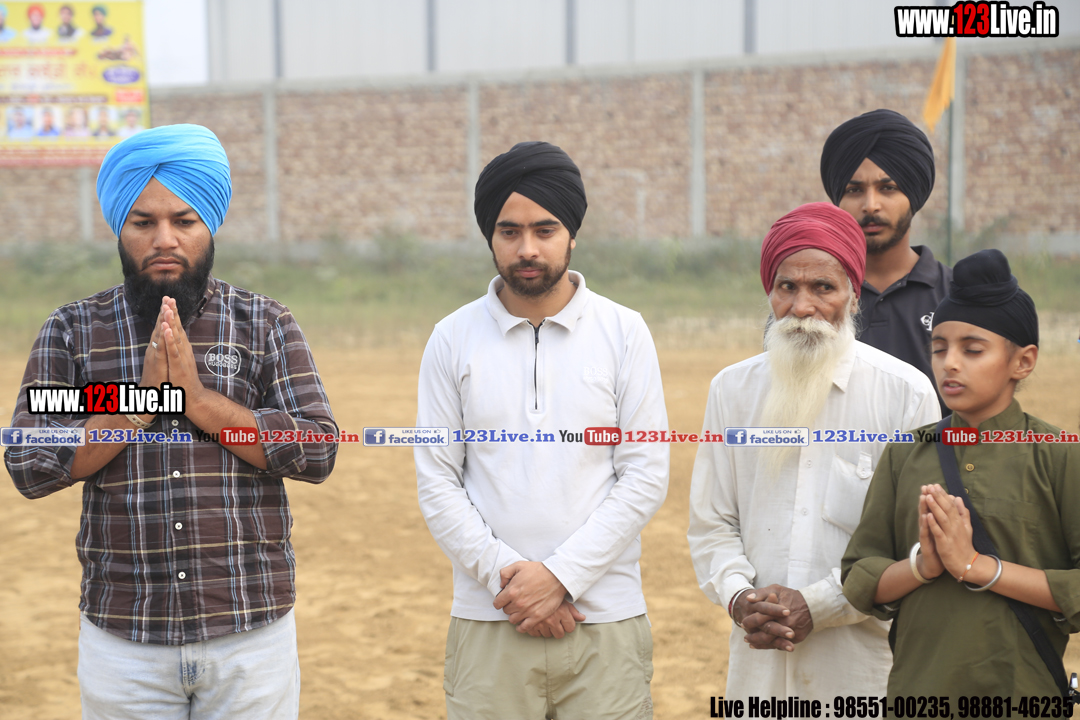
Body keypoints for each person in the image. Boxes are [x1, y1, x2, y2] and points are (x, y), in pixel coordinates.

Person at [4, 124, 338, 720]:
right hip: (124, 641)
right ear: (119, 228)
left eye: (184, 221)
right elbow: (31, 458)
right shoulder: (75, 332)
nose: (164, 239)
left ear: (210, 225)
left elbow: (316, 448)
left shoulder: (263, 324)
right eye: (143, 222)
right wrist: (133, 405)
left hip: (249, 635)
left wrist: (198, 402)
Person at [415, 141, 668, 719]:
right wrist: (512, 586)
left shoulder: (625, 332)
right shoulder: (451, 338)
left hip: (604, 619)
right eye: (509, 232)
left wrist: (562, 577)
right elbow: (438, 482)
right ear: (490, 237)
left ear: (571, 234)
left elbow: (645, 474)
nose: (527, 248)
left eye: (544, 230)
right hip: (489, 618)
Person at [687, 202, 940, 701]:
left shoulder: (905, 394)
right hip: (758, 673)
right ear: (770, 292)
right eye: (787, 287)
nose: (802, 306)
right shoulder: (731, 391)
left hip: (864, 674)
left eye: (823, 287)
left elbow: (914, 543)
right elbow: (712, 522)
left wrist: (819, 604)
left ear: (853, 294)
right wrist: (740, 598)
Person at [842, 249, 1079, 701]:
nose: (949, 363)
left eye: (972, 350)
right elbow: (859, 577)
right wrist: (923, 566)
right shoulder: (905, 452)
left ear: (1023, 362)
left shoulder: (1059, 455)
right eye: (939, 348)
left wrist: (976, 566)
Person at [821, 109, 953, 413]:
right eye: (854, 190)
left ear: (913, 196)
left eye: (888, 188)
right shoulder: (811, 298)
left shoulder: (957, 296)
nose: (871, 205)